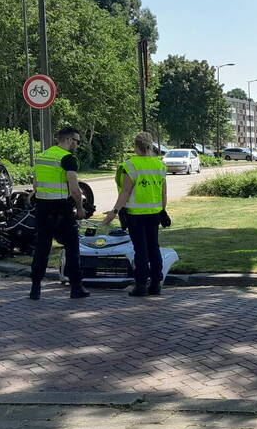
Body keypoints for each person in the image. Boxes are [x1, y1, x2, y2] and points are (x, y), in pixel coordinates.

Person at [102, 132, 169, 296]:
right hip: (154, 214)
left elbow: (125, 192)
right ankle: (155, 284)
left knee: (141, 250)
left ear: (135, 146)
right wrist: (162, 210)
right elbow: (164, 193)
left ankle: (140, 285)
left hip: (135, 215)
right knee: (154, 248)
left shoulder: (130, 165)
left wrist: (114, 211)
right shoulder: (159, 165)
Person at [29, 126, 89, 300]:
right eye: (76, 141)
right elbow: (75, 188)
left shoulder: (42, 156)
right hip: (61, 209)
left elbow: (35, 185)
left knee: (42, 248)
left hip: (42, 208)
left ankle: (35, 288)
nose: (77, 145)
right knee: (72, 248)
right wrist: (79, 208)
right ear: (69, 140)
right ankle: (76, 287)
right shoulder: (68, 158)